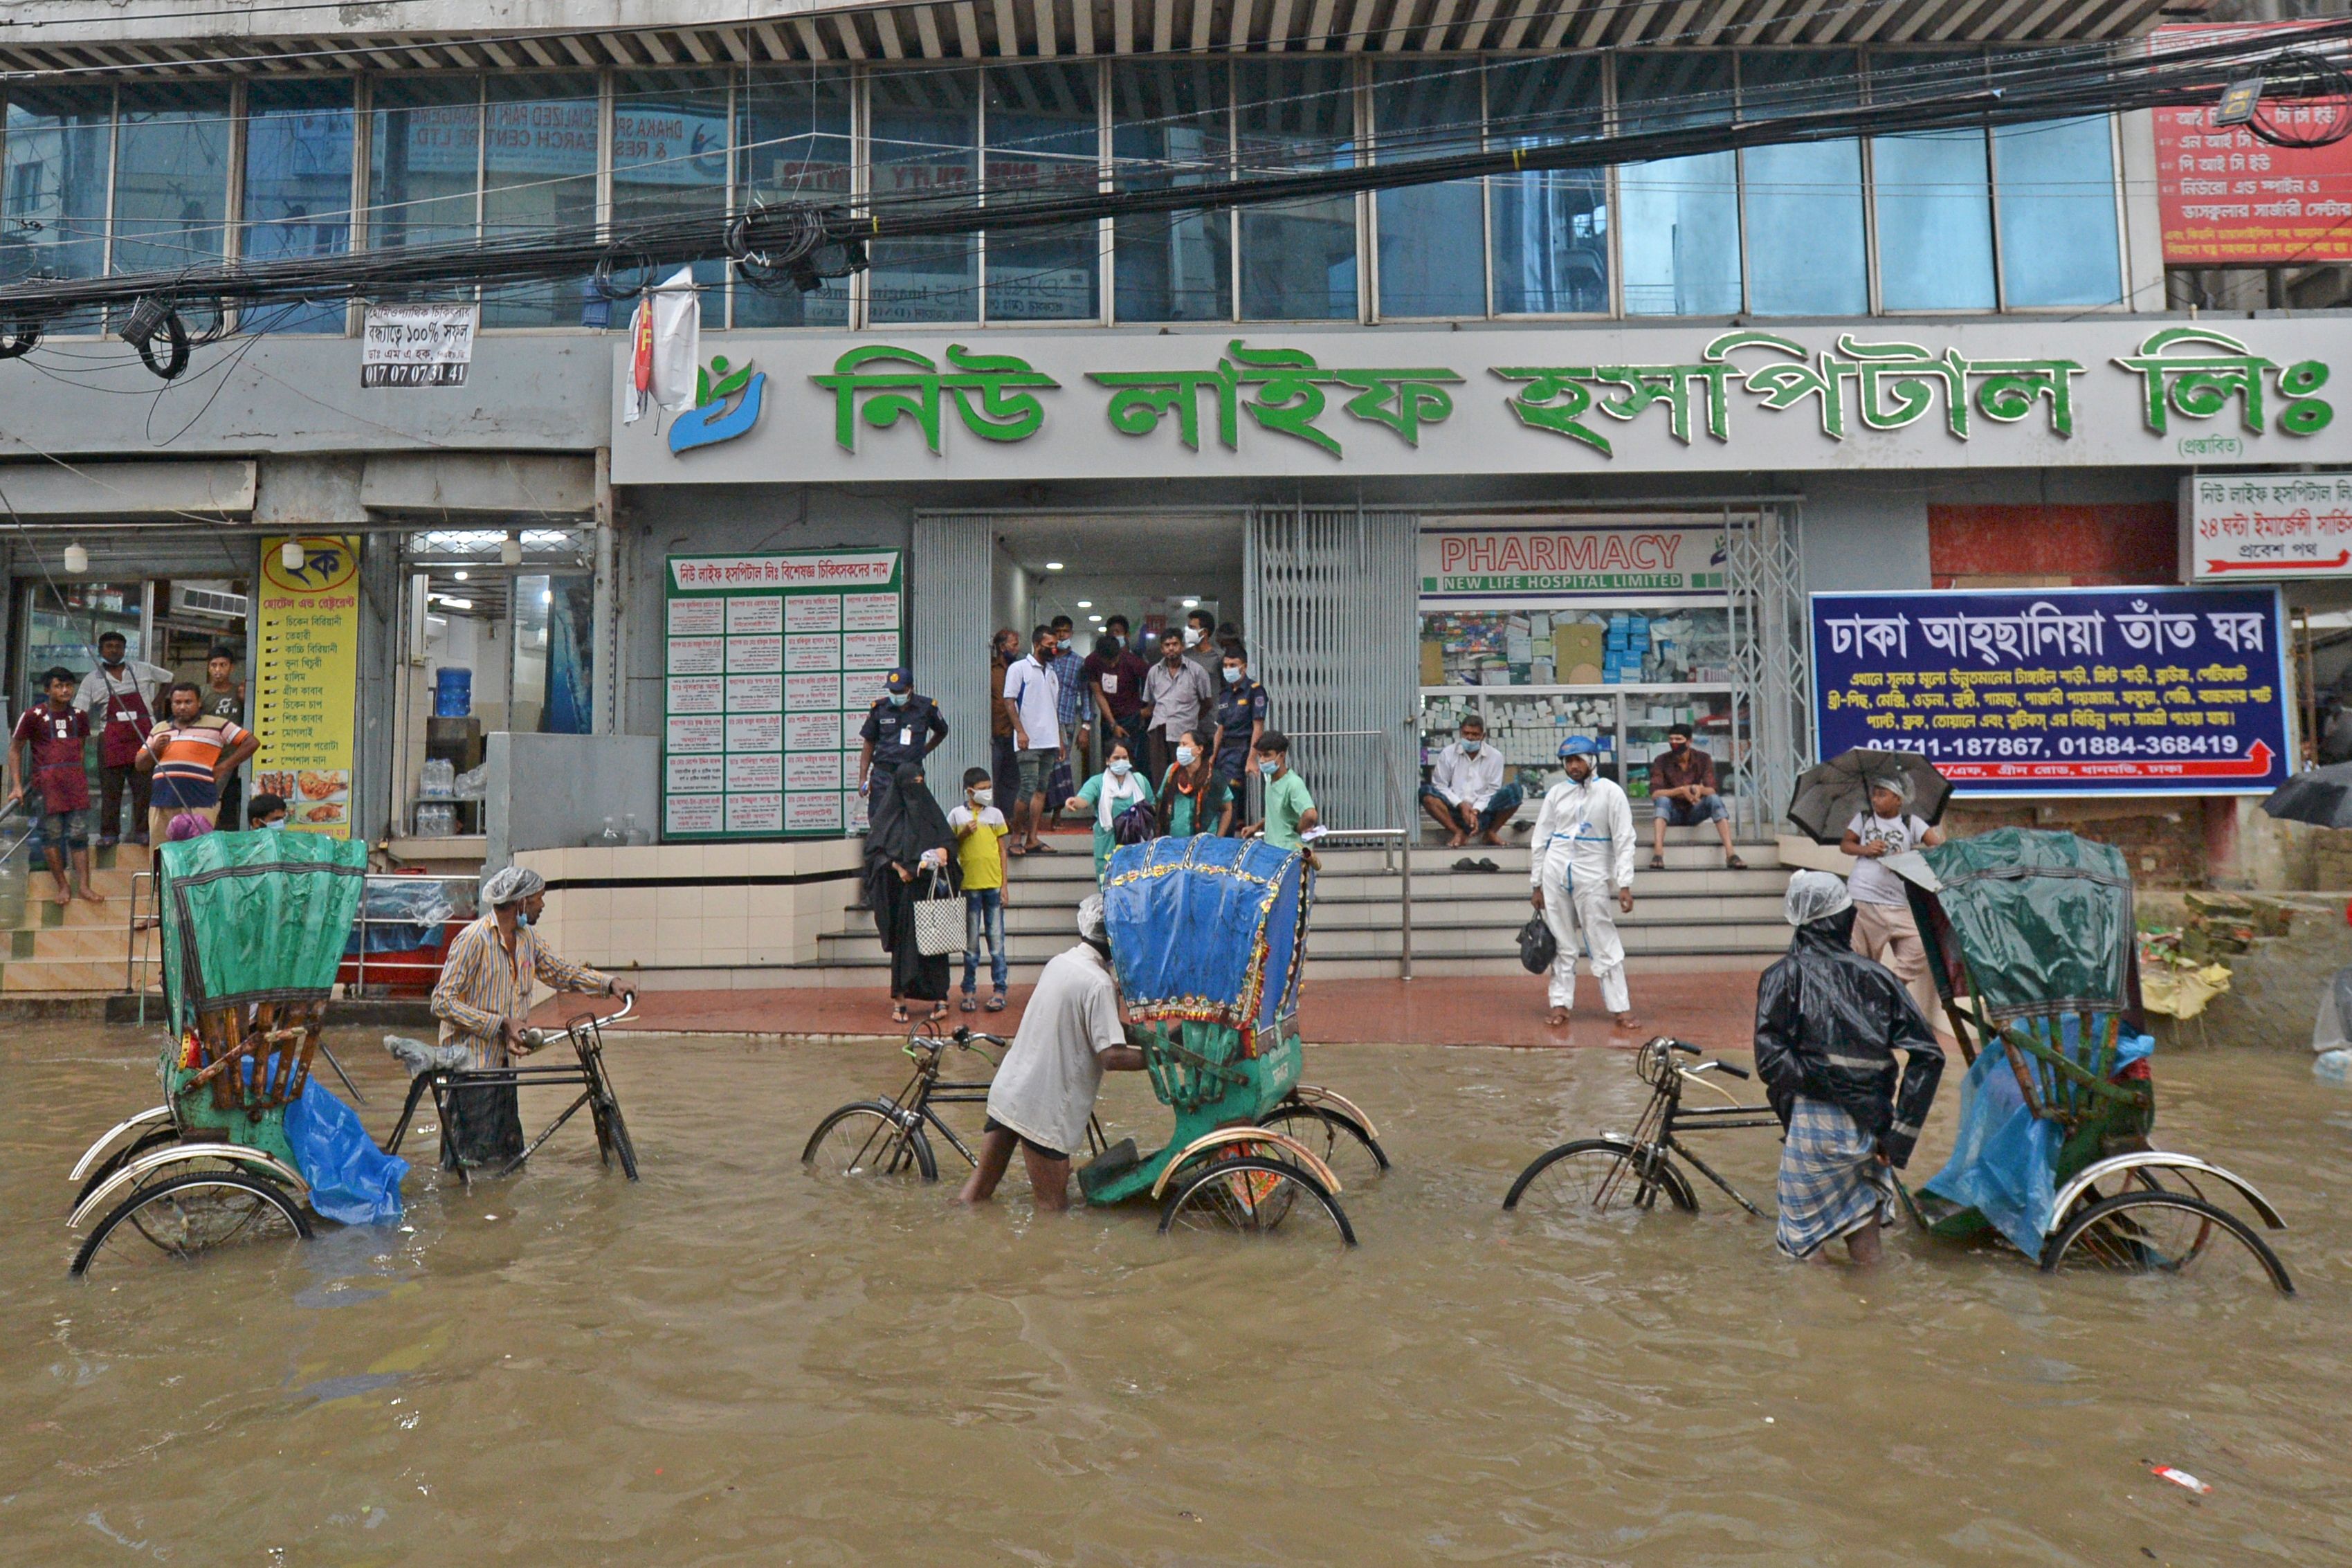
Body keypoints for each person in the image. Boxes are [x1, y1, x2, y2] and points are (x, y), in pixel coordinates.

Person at [1754, 870, 1944, 1266]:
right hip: (1873, 1131)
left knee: (1804, 1250)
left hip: (1812, 1129)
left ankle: (1826, 1325)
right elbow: (1930, 1055)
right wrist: (1897, 1135)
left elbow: (1772, 1059)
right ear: (1845, 919)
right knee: (1867, 1242)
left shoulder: (1782, 976)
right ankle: (1872, 1321)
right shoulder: (1881, 978)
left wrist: (1829, 1082)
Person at [429, 864, 633, 1172]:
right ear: (521, 902)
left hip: (504, 1065)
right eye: (539, 899)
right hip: (472, 1068)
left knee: (507, 1156)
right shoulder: (474, 940)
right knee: (470, 1160)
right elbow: (442, 1002)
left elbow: (561, 973)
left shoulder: (527, 940)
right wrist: (501, 1023)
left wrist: (609, 984)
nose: (543, 905)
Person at [957, 894, 1149, 1213]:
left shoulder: (1061, 962)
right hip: (1043, 1111)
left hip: (1011, 1090)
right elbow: (1111, 1057)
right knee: (1053, 1211)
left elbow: (1100, 1025)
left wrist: (1144, 1039)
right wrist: (1160, 1059)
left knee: (978, 1192)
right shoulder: (1100, 984)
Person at [1528, 736, 1639, 1030]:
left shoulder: (1611, 793)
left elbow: (1625, 839)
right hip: (1555, 872)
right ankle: (1560, 1004)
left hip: (1593, 874)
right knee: (1562, 943)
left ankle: (1620, 1007)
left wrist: (1624, 882)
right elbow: (1540, 840)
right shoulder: (1556, 794)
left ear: (1592, 760)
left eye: (1579, 760)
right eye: (1569, 761)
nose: (1574, 766)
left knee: (1602, 940)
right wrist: (1536, 883)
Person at [1840, 776, 1947, 1028]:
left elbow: (1939, 848)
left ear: (1897, 799)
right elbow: (1846, 845)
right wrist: (1866, 849)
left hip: (1899, 902)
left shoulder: (1912, 823)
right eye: (1874, 794)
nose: (1876, 799)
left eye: (1882, 794)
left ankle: (1888, 990)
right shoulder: (1864, 819)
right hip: (1863, 898)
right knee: (1861, 959)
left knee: (1919, 946)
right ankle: (1861, 1018)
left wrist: (1911, 856)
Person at [862, 760, 957, 1025]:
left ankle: (940, 997)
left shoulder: (930, 811)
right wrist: (897, 867)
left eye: (920, 782)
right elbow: (874, 853)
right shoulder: (888, 816)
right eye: (911, 783)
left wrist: (945, 851)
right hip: (900, 892)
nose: (917, 787)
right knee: (904, 948)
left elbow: (948, 840)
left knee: (936, 947)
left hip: (929, 892)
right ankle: (900, 1000)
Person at [6, 666, 103, 906]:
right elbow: (15, 749)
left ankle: (84, 886)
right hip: (46, 786)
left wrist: (77, 775)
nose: (65, 690)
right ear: (47, 689)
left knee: (80, 834)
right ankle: (62, 885)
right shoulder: (33, 715)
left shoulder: (79, 716)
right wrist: (17, 786)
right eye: (59, 686)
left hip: (75, 784)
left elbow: (80, 748)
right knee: (51, 835)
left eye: (69, 686)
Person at [75, 631, 171, 847]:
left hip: (143, 738)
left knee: (144, 789)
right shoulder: (92, 680)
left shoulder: (142, 669)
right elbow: (79, 712)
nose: (114, 650)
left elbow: (169, 678)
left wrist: (156, 703)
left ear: (125, 649)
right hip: (111, 741)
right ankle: (109, 834)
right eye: (109, 646)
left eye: (118, 646)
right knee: (111, 791)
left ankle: (142, 832)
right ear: (100, 651)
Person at [134, 682, 257, 847]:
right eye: (177, 703)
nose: (182, 707)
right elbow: (140, 765)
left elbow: (251, 742)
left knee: (199, 852)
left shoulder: (218, 724)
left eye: (188, 702)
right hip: (162, 801)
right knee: (161, 855)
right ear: (171, 705)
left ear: (199, 703)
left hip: (201, 801)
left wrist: (224, 767)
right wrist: (155, 749)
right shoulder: (159, 729)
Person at [949, 765, 1010, 1014]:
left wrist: (1005, 885)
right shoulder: (956, 815)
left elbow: (1002, 850)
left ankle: (1000, 990)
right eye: (983, 789)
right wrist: (963, 834)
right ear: (970, 791)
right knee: (971, 944)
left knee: (996, 942)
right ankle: (969, 990)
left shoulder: (995, 815)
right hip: (969, 886)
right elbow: (949, 846)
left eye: (989, 788)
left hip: (993, 885)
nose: (988, 793)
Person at [857, 666, 949, 830]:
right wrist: (863, 777)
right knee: (880, 819)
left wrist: (925, 750)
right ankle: (881, 854)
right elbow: (868, 742)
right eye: (892, 690)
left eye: (900, 691)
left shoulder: (926, 707)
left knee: (913, 818)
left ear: (910, 689)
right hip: (884, 773)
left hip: (911, 772)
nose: (896, 694)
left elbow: (942, 731)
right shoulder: (880, 708)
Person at [1002, 624, 1064, 857]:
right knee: (1027, 788)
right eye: (1050, 645)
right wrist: (1021, 732)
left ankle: (1033, 838)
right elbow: (1009, 702)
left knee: (1041, 789)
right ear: (1037, 644)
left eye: (1056, 645)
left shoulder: (1052, 673)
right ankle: (1016, 837)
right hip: (1028, 740)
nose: (1054, 649)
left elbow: (1054, 709)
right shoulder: (1019, 668)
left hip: (1049, 740)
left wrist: (1060, 740)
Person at [1648, 723, 1744, 870]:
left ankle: (1731, 853)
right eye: (1671, 739)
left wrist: (1699, 789)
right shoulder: (1661, 760)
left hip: (1694, 811)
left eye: (1678, 739)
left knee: (1714, 800)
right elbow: (1655, 794)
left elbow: (1712, 790)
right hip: (1672, 813)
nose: (1674, 743)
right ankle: (1658, 853)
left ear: (1689, 742)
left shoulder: (1703, 759)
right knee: (1662, 801)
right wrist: (1681, 790)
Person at [1421, 715, 1522, 848]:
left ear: (1483, 736)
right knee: (1426, 794)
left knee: (1515, 791)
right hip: (1454, 811)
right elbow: (1440, 785)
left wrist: (1475, 811)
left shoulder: (1495, 756)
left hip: (1484, 812)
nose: (1470, 738)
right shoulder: (1448, 753)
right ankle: (1457, 832)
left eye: (1475, 735)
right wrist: (1460, 805)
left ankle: (1491, 833)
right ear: (1461, 733)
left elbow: (1492, 790)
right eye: (1466, 733)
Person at [1062, 737, 1151, 881]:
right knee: (1108, 887)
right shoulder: (1098, 782)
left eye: (1124, 758)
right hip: (1108, 844)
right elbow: (1084, 799)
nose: (1121, 761)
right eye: (1116, 758)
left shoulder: (1140, 781)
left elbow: (1151, 806)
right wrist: (1074, 802)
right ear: (1107, 761)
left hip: (1136, 846)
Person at [1140, 626, 1214, 787]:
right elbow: (1150, 703)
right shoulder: (1154, 672)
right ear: (1162, 649)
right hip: (1159, 731)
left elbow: (1207, 704)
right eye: (1167, 645)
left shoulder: (1197, 671)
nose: (1171, 648)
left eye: (1175, 644)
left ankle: (1185, 810)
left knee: (1185, 777)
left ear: (1182, 646)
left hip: (1185, 733)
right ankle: (1163, 810)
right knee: (1160, 779)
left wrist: (1192, 718)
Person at [1210, 644, 1267, 835]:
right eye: (1225, 665)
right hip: (1222, 753)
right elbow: (1220, 729)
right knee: (1216, 796)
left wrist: (1252, 758)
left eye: (1233, 665)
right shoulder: (1225, 694)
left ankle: (1226, 842)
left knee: (1230, 798)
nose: (1228, 669)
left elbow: (1258, 727)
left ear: (1244, 666)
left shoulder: (1255, 691)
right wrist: (1212, 757)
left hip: (1241, 751)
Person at [1082, 619, 1149, 769]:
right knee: (1110, 761)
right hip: (1109, 718)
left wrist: (1148, 710)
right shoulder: (1092, 662)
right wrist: (1113, 724)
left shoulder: (1133, 661)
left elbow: (1156, 683)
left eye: (1115, 662)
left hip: (1132, 717)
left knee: (1130, 762)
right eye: (1108, 663)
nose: (1112, 666)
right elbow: (1098, 693)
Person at [1239, 730, 1319, 854]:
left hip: (1291, 855)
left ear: (1281, 756)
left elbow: (1310, 815)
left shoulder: (1293, 784)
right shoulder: (1271, 779)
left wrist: (1298, 829)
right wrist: (1257, 826)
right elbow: (1278, 813)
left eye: (1267, 755)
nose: (1262, 761)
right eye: (1260, 756)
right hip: (1274, 851)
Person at [202, 645, 248, 830]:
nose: (218, 670)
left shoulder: (240, 692)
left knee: (230, 802)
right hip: (209, 758)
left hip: (236, 758)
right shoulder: (202, 693)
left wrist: (246, 700)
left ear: (232, 668)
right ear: (208, 668)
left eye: (223, 665)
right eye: (214, 665)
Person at [1156, 730, 1229, 839]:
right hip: (1175, 842)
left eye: (1184, 744)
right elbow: (1161, 801)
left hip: (1205, 843)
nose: (1180, 749)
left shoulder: (1214, 777)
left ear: (1199, 749)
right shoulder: (1172, 772)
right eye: (1179, 745)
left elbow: (1227, 809)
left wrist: (1219, 839)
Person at [1048, 614, 1094, 785]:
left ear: (1071, 633)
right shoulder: (1045, 660)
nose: (1061, 636)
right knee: (1046, 768)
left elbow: (1086, 696)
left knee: (1063, 764)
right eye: (1058, 632)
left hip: (1067, 721)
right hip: (1044, 723)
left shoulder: (1080, 663)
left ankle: (1059, 811)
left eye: (1065, 632)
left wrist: (1086, 727)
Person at [989, 628, 1023, 810]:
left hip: (1016, 735)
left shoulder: (1020, 669)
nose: (1018, 648)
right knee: (993, 778)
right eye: (1014, 644)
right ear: (1003, 647)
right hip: (996, 735)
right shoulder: (990, 670)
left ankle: (1009, 818)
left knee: (1013, 781)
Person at [1182, 608, 1221, 688]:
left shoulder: (1219, 657)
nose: (1188, 631)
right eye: (1189, 627)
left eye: (1192, 628)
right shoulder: (1184, 656)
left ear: (1204, 632)